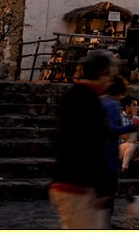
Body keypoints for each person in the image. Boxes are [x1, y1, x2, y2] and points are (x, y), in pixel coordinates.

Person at [49, 52, 115, 229]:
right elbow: (93, 146)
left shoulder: (71, 96)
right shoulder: (91, 102)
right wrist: (102, 187)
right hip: (78, 183)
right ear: (103, 73)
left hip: (64, 178)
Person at [102, 77, 138, 210]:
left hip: (102, 152)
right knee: (108, 194)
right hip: (109, 154)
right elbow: (112, 130)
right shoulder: (112, 105)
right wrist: (132, 127)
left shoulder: (102, 102)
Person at [119, 97, 139, 174]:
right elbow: (122, 136)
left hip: (134, 145)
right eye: (134, 105)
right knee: (131, 145)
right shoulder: (119, 118)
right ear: (127, 106)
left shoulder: (136, 118)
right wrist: (137, 141)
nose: (137, 107)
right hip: (121, 147)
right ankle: (123, 170)